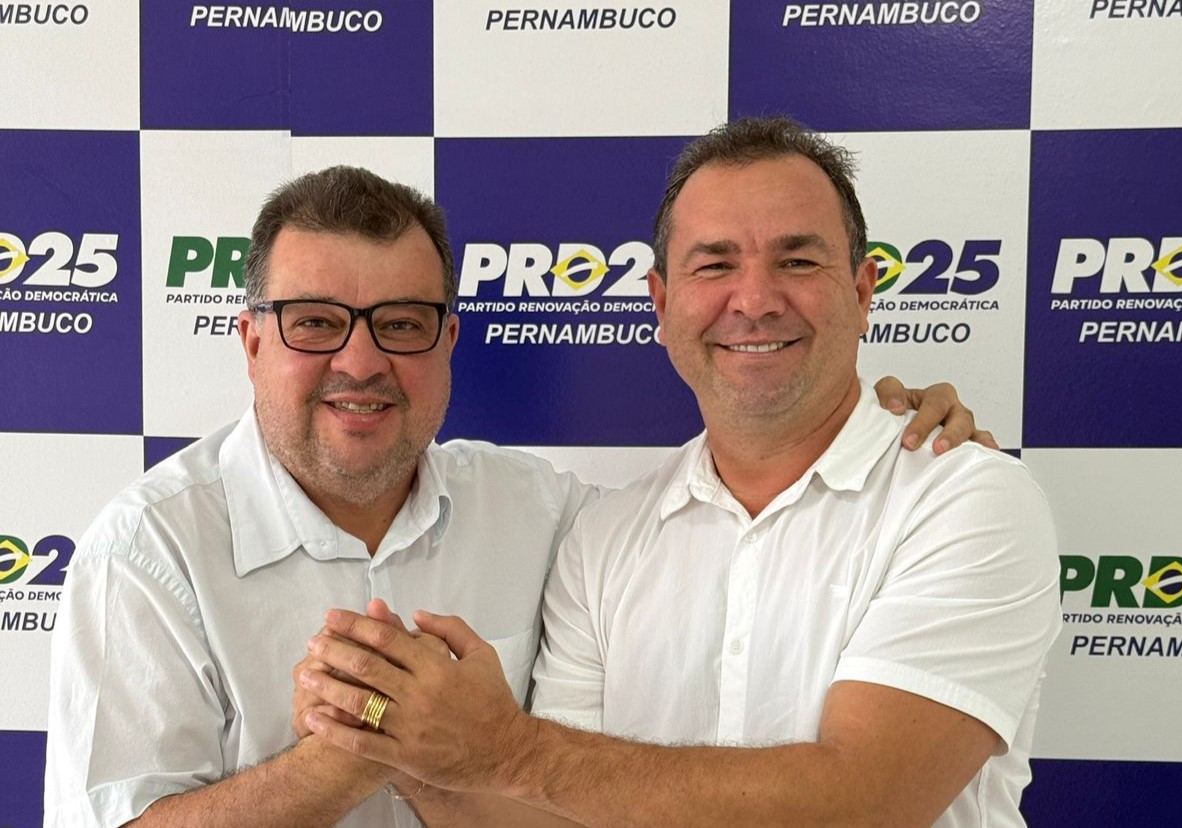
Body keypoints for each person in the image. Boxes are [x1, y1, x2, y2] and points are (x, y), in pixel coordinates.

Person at [44, 163, 987, 828]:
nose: (361, 361)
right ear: (252, 341)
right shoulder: (148, 551)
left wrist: (882, 430)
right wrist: (353, 753)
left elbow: (563, 799)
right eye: (317, 323)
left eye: (401, 323)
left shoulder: (547, 513)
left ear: (448, 342)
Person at [297, 119, 1061, 828]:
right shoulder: (603, 535)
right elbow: (557, 815)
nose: (754, 300)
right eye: (714, 264)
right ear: (661, 304)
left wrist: (502, 748)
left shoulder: (967, 501)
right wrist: (404, 736)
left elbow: (863, 804)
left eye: (797, 260)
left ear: (862, 293)